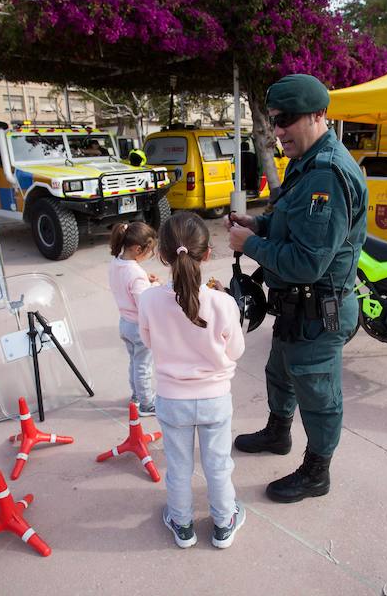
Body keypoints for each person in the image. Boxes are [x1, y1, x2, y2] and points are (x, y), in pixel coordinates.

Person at [225, 74, 367, 504]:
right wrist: (260, 225)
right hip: (294, 309)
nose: (278, 130)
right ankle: (277, 433)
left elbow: (308, 262)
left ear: (319, 115)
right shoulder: (307, 162)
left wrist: (250, 245)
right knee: (280, 375)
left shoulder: (327, 174)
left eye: (286, 119)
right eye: (273, 121)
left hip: (317, 312)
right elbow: (292, 224)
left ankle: (316, 472)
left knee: (319, 396)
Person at [137, 212, 246, 549]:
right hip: (215, 399)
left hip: (172, 400)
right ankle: (224, 522)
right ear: (207, 253)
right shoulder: (223, 302)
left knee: (179, 467)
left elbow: (148, 342)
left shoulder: (149, 299)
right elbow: (236, 351)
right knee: (217, 465)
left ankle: (182, 524)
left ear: (163, 255)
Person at [108, 221, 160, 416]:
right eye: (150, 250)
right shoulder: (136, 273)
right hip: (139, 327)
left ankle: (136, 396)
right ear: (138, 249)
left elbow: (126, 284)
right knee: (143, 367)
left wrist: (146, 280)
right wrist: (155, 287)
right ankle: (147, 404)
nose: (150, 254)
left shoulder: (116, 263)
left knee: (135, 362)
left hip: (125, 323)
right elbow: (144, 303)